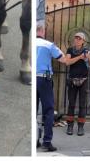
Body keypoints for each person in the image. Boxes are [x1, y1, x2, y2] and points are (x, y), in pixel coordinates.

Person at [36, 20, 67, 152]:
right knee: (48, 111)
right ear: (42, 31)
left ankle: (35, 140)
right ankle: (47, 142)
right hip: (44, 79)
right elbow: (63, 58)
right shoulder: (48, 45)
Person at [64, 31, 90, 136]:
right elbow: (67, 62)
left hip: (83, 80)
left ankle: (81, 127)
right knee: (71, 104)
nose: (77, 40)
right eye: (76, 38)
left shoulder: (87, 51)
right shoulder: (70, 50)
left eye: (79, 38)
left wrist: (88, 58)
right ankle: (70, 126)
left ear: (83, 41)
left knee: (82, 105)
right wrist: (79, 57)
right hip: (72, 80)